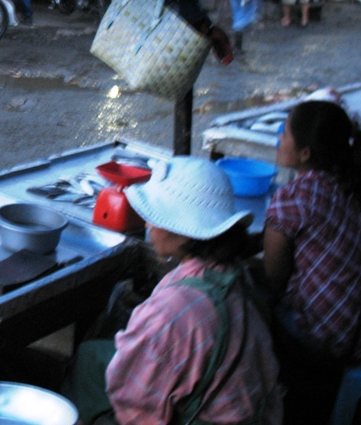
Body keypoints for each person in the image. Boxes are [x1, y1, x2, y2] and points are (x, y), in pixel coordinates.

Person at [70, 157, 283, 425]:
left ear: (183, 230)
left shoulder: (170, 313)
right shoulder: (233, 272)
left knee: (92, 372)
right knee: (92, 356)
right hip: (260, 415)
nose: (148, 225)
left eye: (156, 218)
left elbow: (137, 414)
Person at [263, 100, 361, 424]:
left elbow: (274, 276)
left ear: (305, 154)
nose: (279, 138)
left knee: (256, 300)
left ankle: (284, 399)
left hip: (327, 340)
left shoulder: (294, 195)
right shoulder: (354, 187)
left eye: (285, 133)